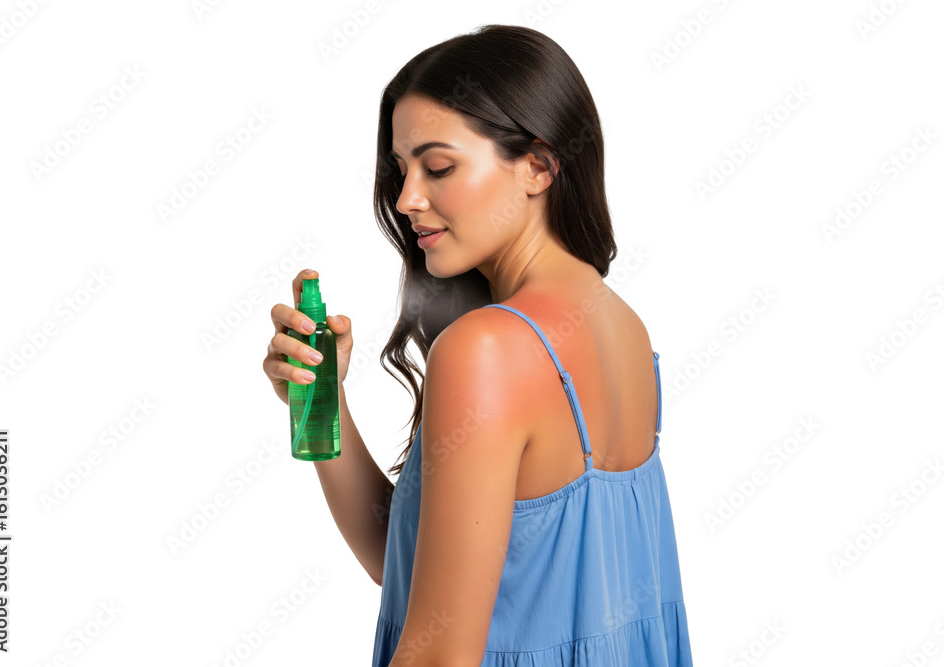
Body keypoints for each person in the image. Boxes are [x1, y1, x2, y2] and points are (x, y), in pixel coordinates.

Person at [263, 23, 693, 667]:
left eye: (438, 167)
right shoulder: (623, 326)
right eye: (401, 171)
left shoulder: (486, 349)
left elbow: (439, 655)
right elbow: (401, 562)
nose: (406, 199)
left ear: (538, 167)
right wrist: (323, 400)